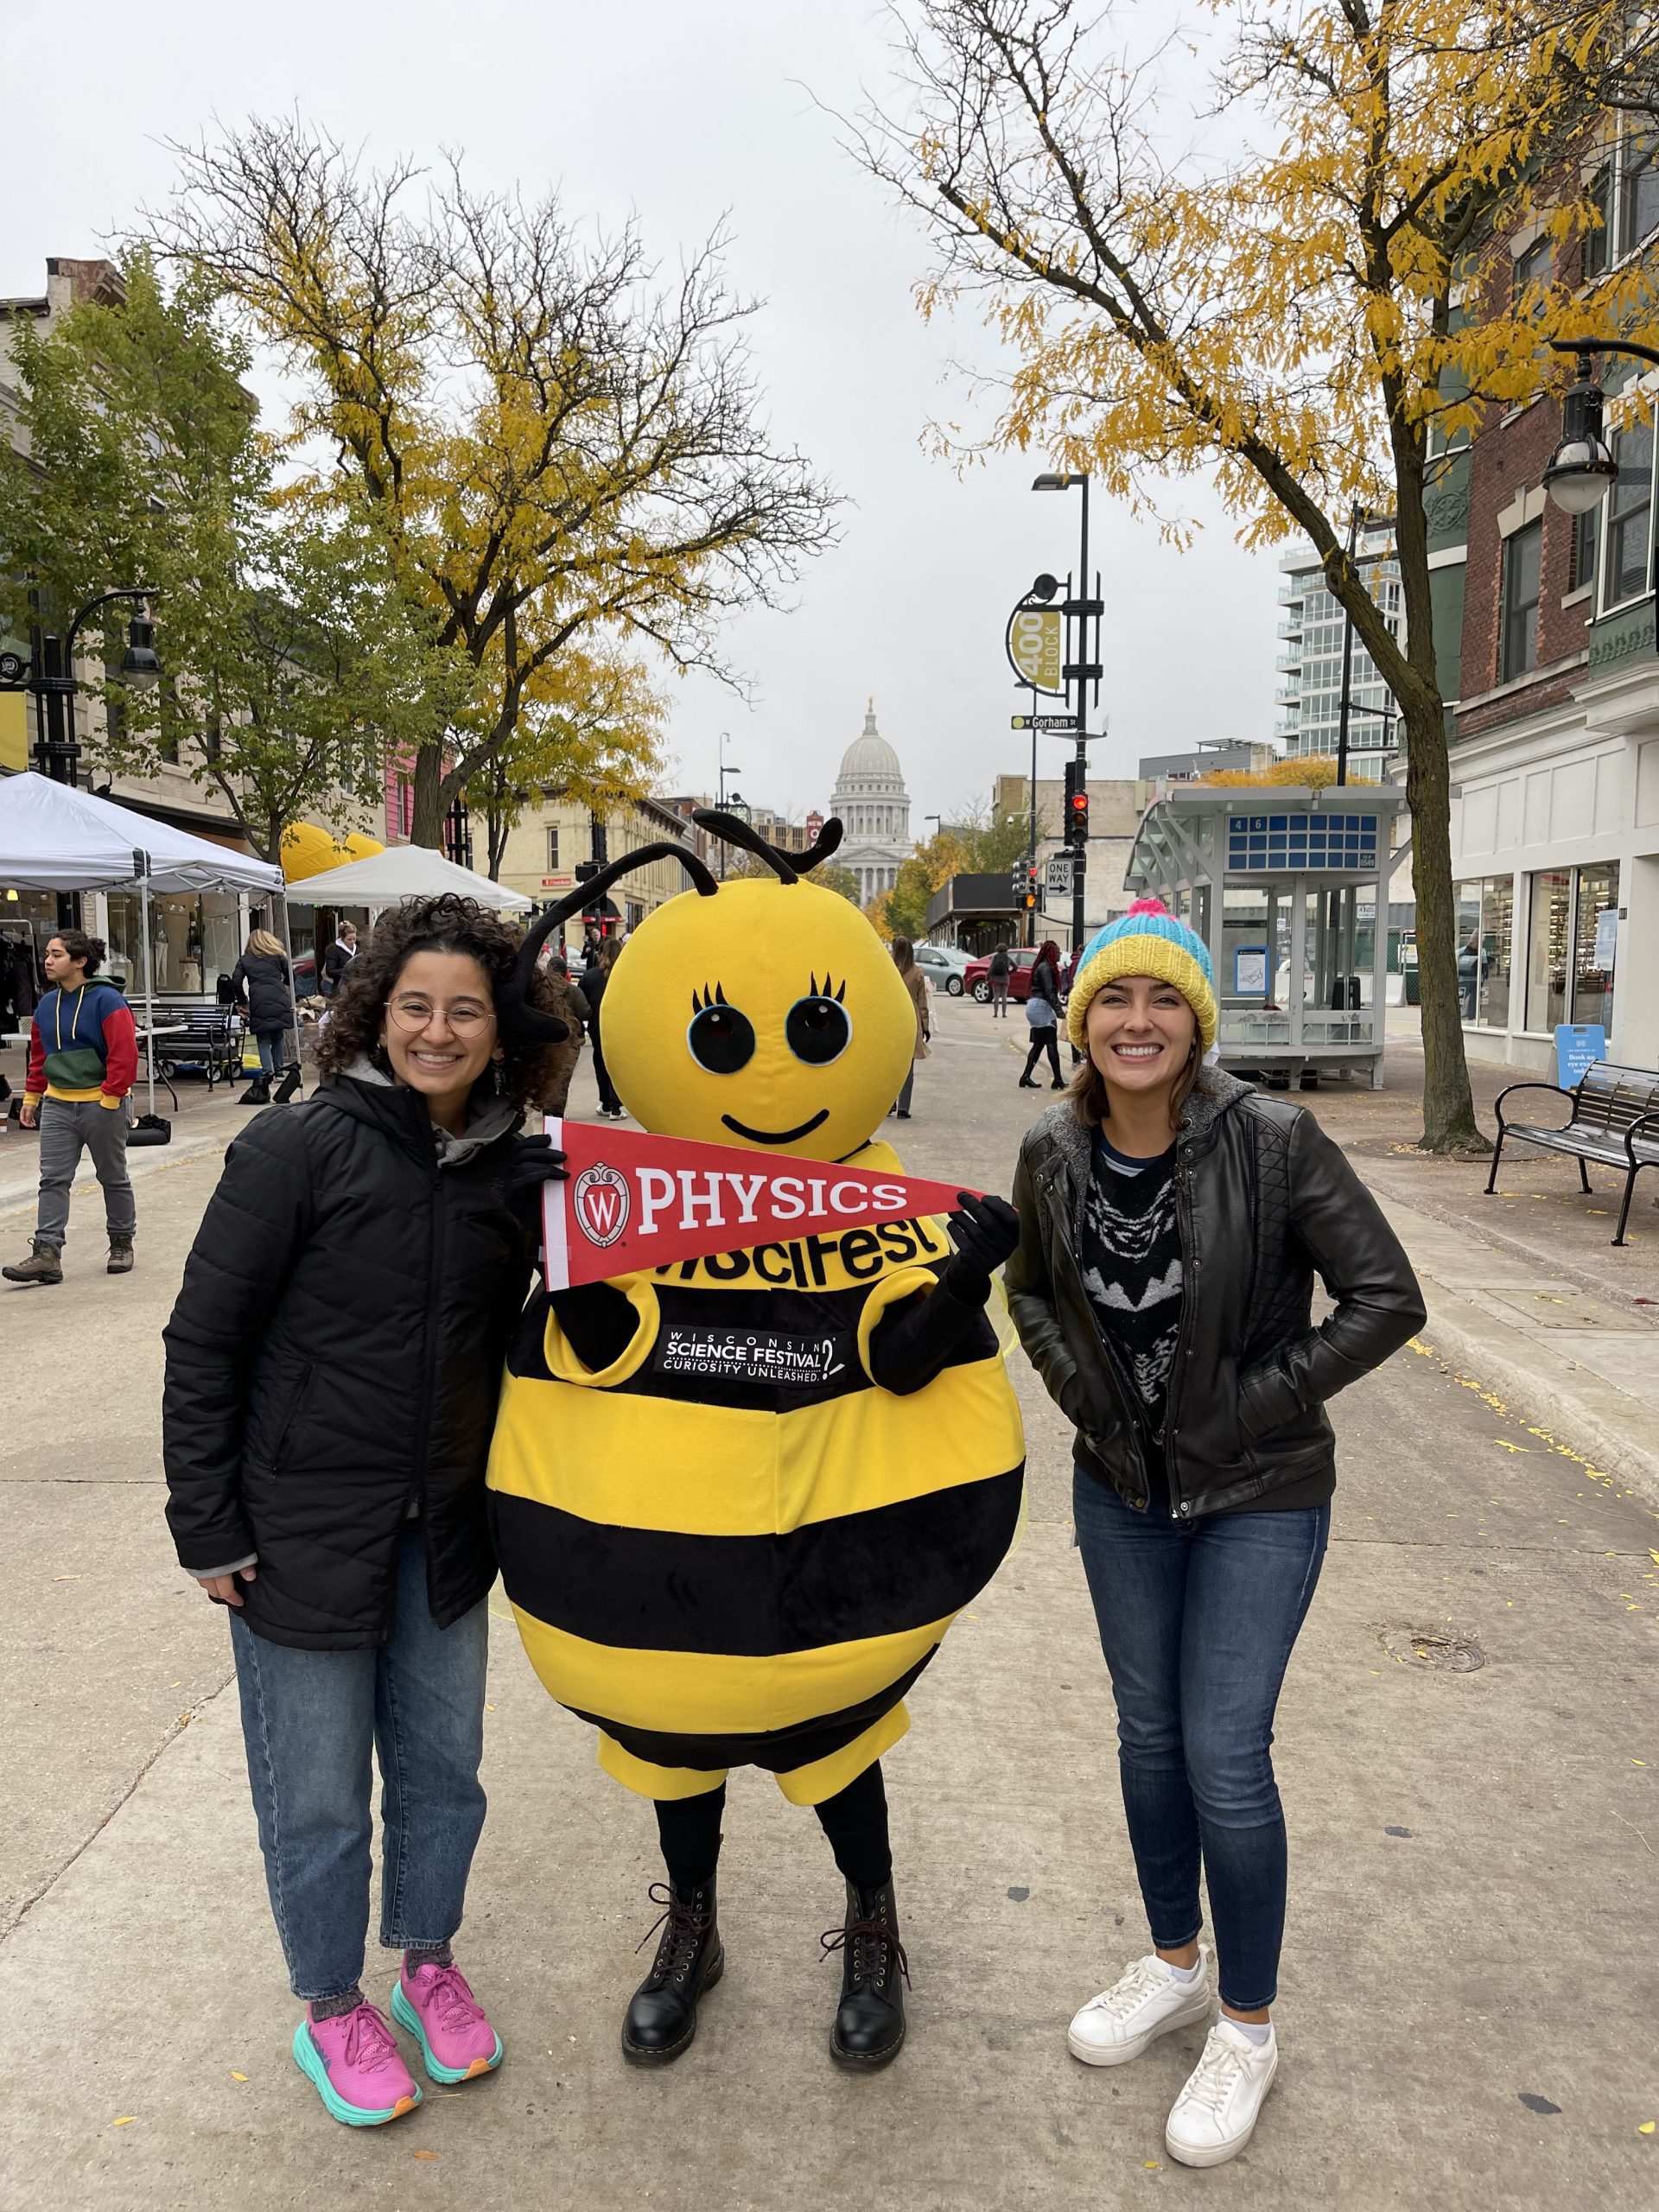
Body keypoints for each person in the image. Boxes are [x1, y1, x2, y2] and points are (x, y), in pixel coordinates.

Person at [487, 814, 1023, 2074]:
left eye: (812, 1034)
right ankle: (694, 1930)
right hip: (665, 1566)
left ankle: (875, 1921)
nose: (771, 1073)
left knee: (835, 1743)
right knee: (676, 1749)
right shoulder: (624, 1203)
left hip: (826, 1570)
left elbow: (901, 1357)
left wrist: (959, 1290)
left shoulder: (880, 1206)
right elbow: (588, 1343)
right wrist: (546, 1247)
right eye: (720, 1038)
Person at [1004, 897, 1425, 2169]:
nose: (1139, 1023)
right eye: (1115, 1002)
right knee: (1146, 1737)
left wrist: (1252, 1404)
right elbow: (1026, 1285)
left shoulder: (1275, 1140)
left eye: (1165, 1001)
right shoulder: (1050, 1151)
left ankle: (1247, 2023)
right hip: (1119, 1492)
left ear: (1198, 1022)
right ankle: (1174, 1963)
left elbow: (1386, 1296)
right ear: (1083, 1024)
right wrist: (1081, 1394)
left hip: (1259, 1494)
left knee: (1223, 1754)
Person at [162, 893, 575, 2129]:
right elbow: (204, 1342)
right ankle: (331, 2002)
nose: (436, 1033)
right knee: (322, 1791)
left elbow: (563, 1329)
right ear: (375, 1014)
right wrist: (208, 1525)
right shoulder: (297, 1148)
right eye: (414, 1008)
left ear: (501, 1029)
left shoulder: (517, 1171)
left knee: (446, 1775)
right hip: (298, 1533)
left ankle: (428, 1963)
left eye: (464, 1011)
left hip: (446, 1530)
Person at [2, 930, 137, 1287]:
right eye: (48, 953)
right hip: (59, 1104)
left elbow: (125, 1054)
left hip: (102, 1104)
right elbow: (40, 1056)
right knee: (53, 1180)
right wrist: (32, 1097)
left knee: (113, 1177)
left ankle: (122, 1242)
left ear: (80, 962)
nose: (47, 960)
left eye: (57, 954)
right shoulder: (46, 1004)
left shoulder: (108, 1001)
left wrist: (110, 1097)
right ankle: (47, 1254)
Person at [230, 928, 299, 1106]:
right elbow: (293, 975)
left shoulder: (245, 959)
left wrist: (242, 1000)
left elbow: (236, 980)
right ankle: (279, 1072)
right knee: (277, 1036)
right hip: (279, 996)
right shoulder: (277, 956)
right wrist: (280, 983)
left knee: (263, 1039)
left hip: (259, 998)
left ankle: (267, 1072)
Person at [582, 934, 624, 1118]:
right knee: (619, 1066)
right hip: (622, 1028)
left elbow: (581, 1004)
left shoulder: (590, 976)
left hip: (598, 1027)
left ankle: (606, 1103)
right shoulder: (626, 975)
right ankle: (616, 1107)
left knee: (601, 1063)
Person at [889, 935, 930, 1119]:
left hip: (890, 1018)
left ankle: (889, 1103)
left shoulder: (887, 970)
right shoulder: (917, 972)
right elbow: (923, 1002)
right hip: (911, 1019)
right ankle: (904, 1107)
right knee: (908, 1065)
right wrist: (925, 1025)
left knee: (889, 1065)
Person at [1018, 939, 1065, 1090]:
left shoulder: (1042, 966)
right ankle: (1057, 1080)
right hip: (1041, 1007)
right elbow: (1050, 992)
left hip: (1035, 1006)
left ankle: (1026, 1077)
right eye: (1058, 951)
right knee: (1051, 1044)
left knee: (1038, 1045)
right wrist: (1059, 1011)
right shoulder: (1046, 968)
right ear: (1052, 953)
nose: (1060, 954)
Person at [321, 921, 358, 999]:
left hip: (356, 988)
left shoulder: (358, 949)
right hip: (340, 989)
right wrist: (347, 970)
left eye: (354, 939)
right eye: (349, 939)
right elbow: (330, 971)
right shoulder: (334, 951)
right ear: (342, 938)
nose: (352, 942)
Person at [988, 940, 1012, 1018]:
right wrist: (1010, 972)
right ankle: (1004, 1014)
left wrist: (987, 975)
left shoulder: (995, 957)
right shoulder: (1008, 958)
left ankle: (995, 1014)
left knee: (996, 996)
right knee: (1004, 995)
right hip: (1005, 978)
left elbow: (991, 968)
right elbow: (1016, 967)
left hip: (995, 979)